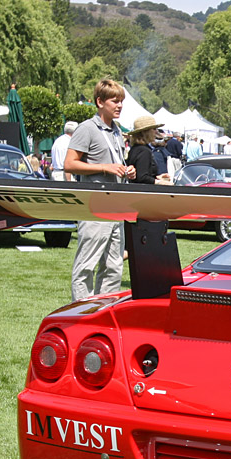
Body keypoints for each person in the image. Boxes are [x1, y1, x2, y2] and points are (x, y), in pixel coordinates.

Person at [63, 78, 136, 301]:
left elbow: (114, 162)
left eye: (121, 101)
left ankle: (104, 312)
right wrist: (104, 167)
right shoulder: (87, 128)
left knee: (114, 266)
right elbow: (69, 164)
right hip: (94, 206)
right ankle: (80, 312)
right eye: (115, 101)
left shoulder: (117, 131)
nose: (120, 105)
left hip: (116, 206)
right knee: (87, 264)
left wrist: (127, 170)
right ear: (99, 102)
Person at [126, 115, 169, 185]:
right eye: (154, 129)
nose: (156, 132)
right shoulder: (143, 151)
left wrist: (158, 177)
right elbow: (142, 177)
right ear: (146, 132)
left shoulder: (136, 148)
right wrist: (158, 182)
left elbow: (140, 173)